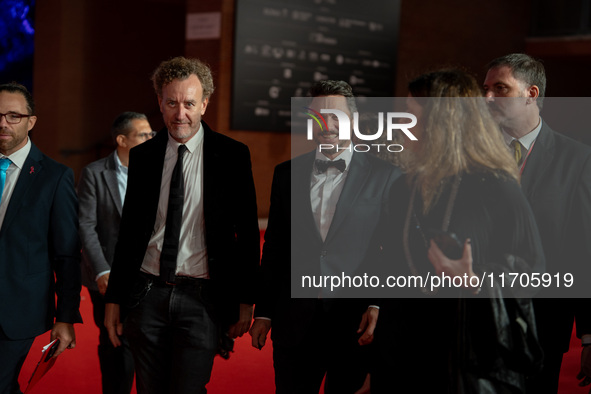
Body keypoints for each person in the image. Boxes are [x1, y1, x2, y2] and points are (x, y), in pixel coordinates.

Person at [372, 70, 545, 393]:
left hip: (466, 356)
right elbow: (394, 274)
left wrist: (475, 278)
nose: (401, 126)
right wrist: (378, 365)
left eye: (411, 117)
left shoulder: (496, 186)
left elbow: (532, 270)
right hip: (404, 356)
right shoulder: (402, 188)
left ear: (443, 122)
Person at [103, 57, 260, 394]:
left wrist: (246, 300)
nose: (180, 114)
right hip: (146, 295)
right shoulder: (144, 156)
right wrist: (114, 300)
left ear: (204, 103)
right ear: (160, 102)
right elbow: (129, 234)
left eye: (189, 103)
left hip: (203, 300)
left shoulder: (232, 155)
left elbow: (247, 233)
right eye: (171, 102)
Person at [249, 80, 400, 393]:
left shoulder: (386, 175)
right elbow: (275, 246)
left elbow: (392, 249)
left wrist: (377, 303)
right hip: (295, 321)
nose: (326, 124)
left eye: (335, 116)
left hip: (353, 322)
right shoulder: (285, 174)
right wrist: (263, 311)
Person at [483, 53, 591, 393]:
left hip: (542, 325)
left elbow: (583, 248)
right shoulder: (472, 156)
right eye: (485, 89)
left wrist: (589, 336)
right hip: (474, 322)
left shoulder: (577, 160)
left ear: (531, 94)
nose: (487, 98)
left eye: (500, 88)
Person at [0, 82, 82, 393]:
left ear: (31, 121)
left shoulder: (54, 176)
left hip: (17, 310)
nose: (3, 123)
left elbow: (67, 253)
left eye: (13, 116)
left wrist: (66, 317)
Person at [79, 111, 154, 394]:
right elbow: (86, 226)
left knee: (145, 339)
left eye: (151, 134)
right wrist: (101, 270)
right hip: (107, 276)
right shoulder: (95, 173)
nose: (150, 139)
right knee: (115, 341)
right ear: (121, 140)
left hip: (147, 275)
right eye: (143, 135)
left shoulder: (158, 171)